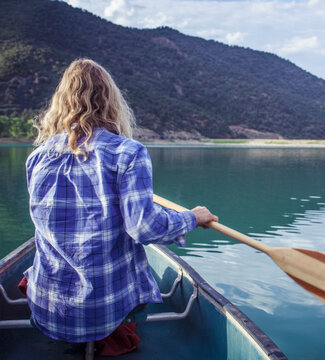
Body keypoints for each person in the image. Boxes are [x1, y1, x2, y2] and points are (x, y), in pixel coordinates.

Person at [24, 58, 218, 351]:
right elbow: (143, 228)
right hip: (101, 312)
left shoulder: (37, 158)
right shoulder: (128, 153)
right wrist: (191, 217)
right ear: (110, 100)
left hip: (48, 308)